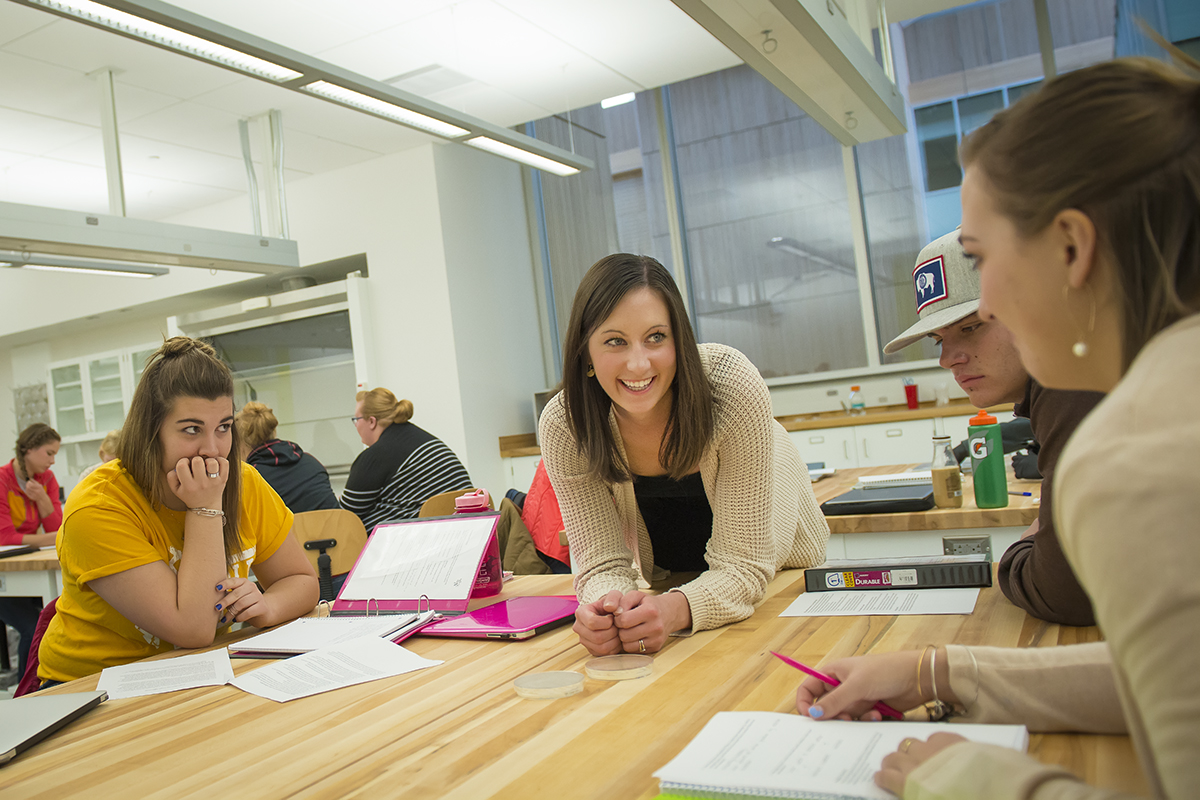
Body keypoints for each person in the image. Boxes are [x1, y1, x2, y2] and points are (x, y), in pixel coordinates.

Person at [793, 54, 1200, 799]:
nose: (988, 306)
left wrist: (979, 781)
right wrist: (936, 669)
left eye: (982, 261)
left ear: (1073, 248)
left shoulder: (1141, 452)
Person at [540, 253, 829, 656]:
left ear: (680, 339)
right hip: (670, 594)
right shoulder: (566, 425)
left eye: (656, 337)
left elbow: (745, 567)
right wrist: (608, 609)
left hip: (779, 582)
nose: (638, 363)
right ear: (585, 352)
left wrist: (674, 610)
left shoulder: (730, 387)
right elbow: (601, 564)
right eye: (614, 341)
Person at [38, 337, 319, 685]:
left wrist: (268, 605)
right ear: (151, 431)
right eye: (191, 429)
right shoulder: (98, 506)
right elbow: (194, 629)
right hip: (91, 688)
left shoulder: (244, 481)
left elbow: (302, 581)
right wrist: (205, 507)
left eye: (224, 427)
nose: (212, 449)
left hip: (199, 672)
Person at [883, 230, 1104, 626]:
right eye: (938, 340)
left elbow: (1063, 593)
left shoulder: (1071, 380)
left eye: (971, 327)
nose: (948, 359)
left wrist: (1018, 553)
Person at [340, 388, 473, 531]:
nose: (356, 426)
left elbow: (344, 517)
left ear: (372, 421)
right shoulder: (425, 439)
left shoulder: (375, 455)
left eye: (356, 420)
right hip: (468, 533)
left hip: (422, 540)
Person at [0, 423, 62, 681]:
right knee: (34, 626)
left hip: (29, 561)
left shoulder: (45, 480)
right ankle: (27, 689)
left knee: (51, 620)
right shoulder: (3, 480)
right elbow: (4, 537)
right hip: (5, 576)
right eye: (49, 453)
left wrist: (44, 500)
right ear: (29, 449)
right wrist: (46, 538)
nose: (52, 461)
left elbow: (58, 526)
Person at [235, 402, 340, 514]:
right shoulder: (311, 462)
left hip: (290, 532)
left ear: (241, 443)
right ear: (273, 432)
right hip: (337, 530)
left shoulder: (251, 478)